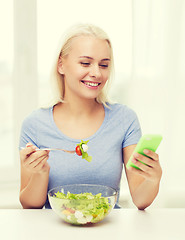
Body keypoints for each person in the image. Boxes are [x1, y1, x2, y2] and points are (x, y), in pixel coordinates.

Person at [19, 23, 162, 210]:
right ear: (61, 65)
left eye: (104, 65)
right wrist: (40, 173)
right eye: (85, 63)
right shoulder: (35, 124)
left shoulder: (125, 119)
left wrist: (153, 179)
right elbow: (29, 206)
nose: (96, 73)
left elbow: (140, 200)